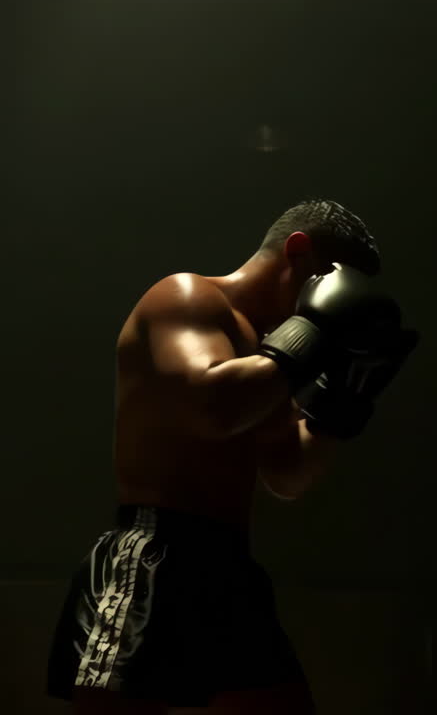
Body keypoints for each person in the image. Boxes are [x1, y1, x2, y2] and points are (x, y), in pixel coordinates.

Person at [46, 199, 417, 714]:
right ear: (299, 251)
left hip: (229, 570)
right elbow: (213, 405)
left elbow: (287, 474)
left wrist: (344, 404)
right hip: (153, 554)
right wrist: (313, 329)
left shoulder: (269, 358)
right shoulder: (187, 297)